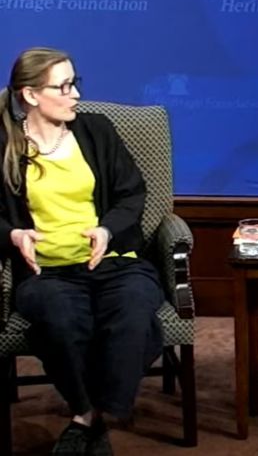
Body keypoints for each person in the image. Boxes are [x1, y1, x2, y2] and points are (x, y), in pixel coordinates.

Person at [0, 48, 164, 455]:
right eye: (64, 86)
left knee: (135, 308)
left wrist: (107, 230)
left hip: (112, 262)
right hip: (47, 272)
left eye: (76, 83)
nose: (76, 95)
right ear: (31, 95)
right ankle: (95, 416)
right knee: (58, 320)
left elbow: (132, 194)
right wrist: (14, 235)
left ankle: (86, 418)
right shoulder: (5, 146)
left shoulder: (97, 131)